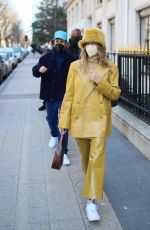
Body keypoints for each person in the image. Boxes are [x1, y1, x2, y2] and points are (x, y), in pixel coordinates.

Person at [58, 28, 121, 221]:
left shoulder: (111, 67)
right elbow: (68, 96)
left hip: (99, 120)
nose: (91, 47)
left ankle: (91, 202)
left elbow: (115, 94)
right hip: (79, 120)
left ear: (101, 47)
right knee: (87, 160)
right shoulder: (75, 66)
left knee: (96, 159)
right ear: (83, 46)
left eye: (95, 44)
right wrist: (63, 121)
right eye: (87, 44)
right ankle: (92, 183)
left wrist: (99, 82)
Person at [32, 30, 75, 165]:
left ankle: (63, 153)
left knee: (63, 124)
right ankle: (53, 135)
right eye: (56, 41)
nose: (58, 43)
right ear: (53, 42)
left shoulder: (71, 60)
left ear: (66, 43)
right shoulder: (46, 58)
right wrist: (39, 70)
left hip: (64, 97)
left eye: (61, 41)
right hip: (49, 97)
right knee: (51, 119)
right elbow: (34, 71)